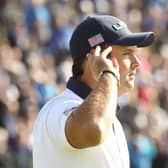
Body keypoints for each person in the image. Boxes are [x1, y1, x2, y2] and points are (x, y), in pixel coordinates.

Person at [33, 15, 155, 168]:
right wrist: (108, 74)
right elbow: (94, 129)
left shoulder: (111, 120)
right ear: (96, 58)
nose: (137, 63)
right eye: (127, 53)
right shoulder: (57, 108)